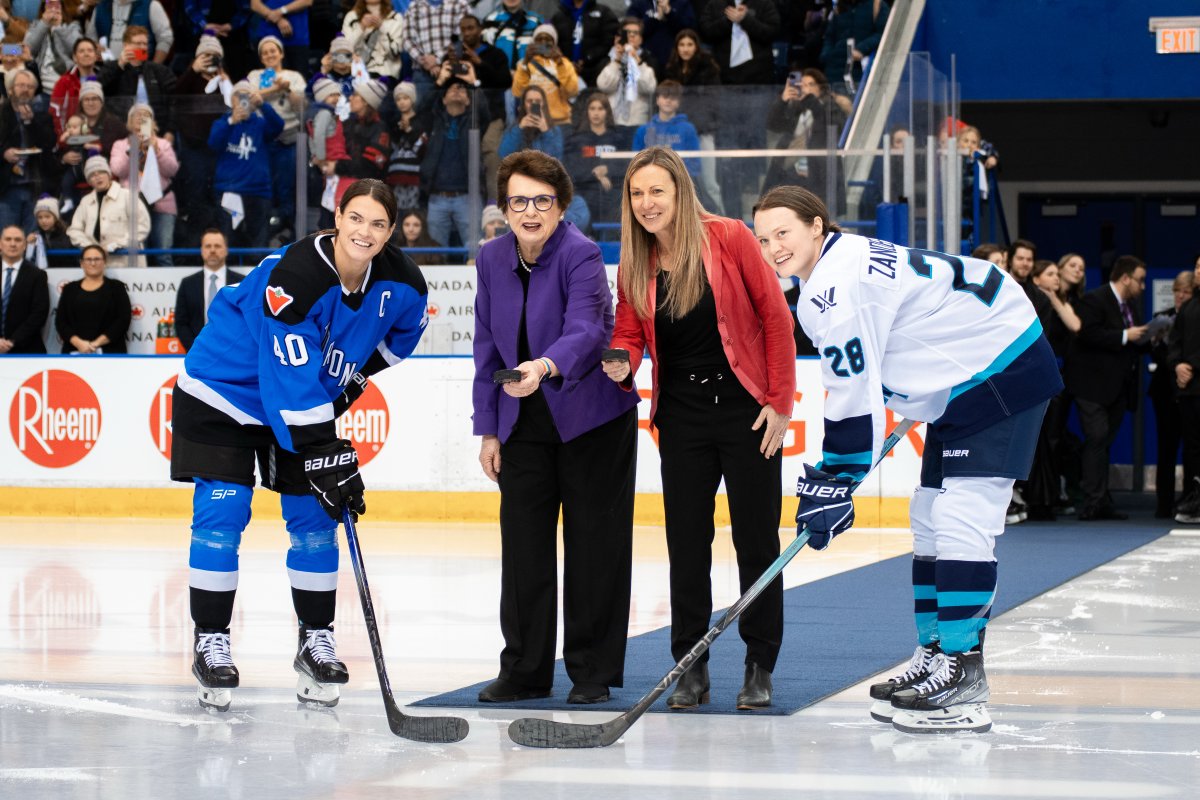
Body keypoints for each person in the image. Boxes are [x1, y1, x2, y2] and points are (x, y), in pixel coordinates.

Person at [752, 185, 1060, 734]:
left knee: (962, 520)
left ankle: (964, 676)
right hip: (963, 376)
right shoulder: (837, 264)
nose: (773, 246)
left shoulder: (832, 287)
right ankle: (938, 655)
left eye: (784, 233)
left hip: (999, 370)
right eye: (763, 237)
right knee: (928, 516)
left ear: (817, 227)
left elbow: (851, 390)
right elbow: (889, 350)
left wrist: (838, 476)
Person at [170, 179, 429, 712]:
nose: (365, 231)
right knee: (225, 511)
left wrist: (349, 381)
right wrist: (323, 449)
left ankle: (316, 641)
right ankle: (210, 641)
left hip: (298, 399)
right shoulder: (295, 277)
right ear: (337, 217)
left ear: (391, 231)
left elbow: (400, 338)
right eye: (356, 218)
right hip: (225, 391)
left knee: (315, 519)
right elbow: (285, 380)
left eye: (378, 223)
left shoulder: (404, 284)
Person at [604, 147, 795, 710]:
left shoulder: (730, 237)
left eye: (656, 191)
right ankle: (691, 665)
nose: (646, 203)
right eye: (637, 194)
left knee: (756, 541)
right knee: (687, 546)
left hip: (746, 411)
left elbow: (776, 318)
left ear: (681, 191)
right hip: (681, 416)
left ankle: (760, 664)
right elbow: (629, 328)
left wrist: (780, 403)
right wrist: (622, 358)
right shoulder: (636, 259)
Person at [473, 149, 638, 705]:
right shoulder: (492, 258)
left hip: (590, 419)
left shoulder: (582, 253)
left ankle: (591, 672)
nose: (530, 211)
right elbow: (485, 347)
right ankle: (524, 670)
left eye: (542, 200)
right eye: (519, 200)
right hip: (522, 422)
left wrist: (543, 366)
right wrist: (489, 430)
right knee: (523, 550)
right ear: (504, 208)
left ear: (562, 206)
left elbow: (589, 328)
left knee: (594, 549)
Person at [1062, 255, 1149, 521]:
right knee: (1097, 439)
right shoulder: (1095, 299)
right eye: (1140, 280)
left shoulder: (1130, 305)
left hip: (1117, 387)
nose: (1143, 286)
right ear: (1125, 278)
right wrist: (1126, 336)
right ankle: (1092, 501)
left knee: (1104, 442)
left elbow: (1131, 341)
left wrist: (1150, 336)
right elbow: (1087, 334)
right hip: (1091, 386)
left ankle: (1101, 500)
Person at [209, 80, 284, 250]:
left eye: (247, 95)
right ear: (232, 99)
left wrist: (263, 105)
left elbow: (278, 126)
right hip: (229, 190)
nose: (243, 99)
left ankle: (258, 277)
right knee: (228, 240)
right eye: (238, 95)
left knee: (258, 242)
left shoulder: (260, 123)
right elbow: (213, 143)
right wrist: (231, 122)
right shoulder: (223, 122)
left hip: (258, 191)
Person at [247, 34, 306, 244]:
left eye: (273, 50)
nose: (270, 54)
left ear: (281, 53)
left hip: (288, 140)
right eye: (265, 52)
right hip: (262, 142)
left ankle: (288, 236)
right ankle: (263, 237)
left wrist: (288, 88)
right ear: (261, 58)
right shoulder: (255, 75)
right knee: (263, 190)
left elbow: (302, 107)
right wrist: (276, 87)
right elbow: (249, 98)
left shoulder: (294, 76)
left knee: (286, 189)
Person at [420, 77, 488, 248]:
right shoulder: (434, 121)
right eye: (451, 89)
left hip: (468, 196)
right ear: (443, 99)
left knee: (474, 248)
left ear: (468, 99)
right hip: (437, 196)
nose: (457, 91)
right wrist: (439, 82)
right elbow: (421, 108)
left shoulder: (474, 120)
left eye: (462, 89)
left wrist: (473, 82)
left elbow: (486, 111)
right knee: (435, 249)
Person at [108, 102, 178, 265]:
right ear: (129, 122)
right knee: (137, 254)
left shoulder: (163, 144)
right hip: (132, 205)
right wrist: (132, 151)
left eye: (145, 115)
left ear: (153, 123)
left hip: (163, 204)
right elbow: (118, 170)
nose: (140, 119)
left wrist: (157, 151)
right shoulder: (120, 145)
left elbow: (172, 170)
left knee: (164, 253)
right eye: (136, 115)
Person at [763, 68, 846, 206]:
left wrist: (811, 101)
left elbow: (835, 127)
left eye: (810, 84)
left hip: (819, 174)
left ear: (821, 88)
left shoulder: (829, 105)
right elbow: (773, 125)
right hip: (790, 171)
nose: (805, 88)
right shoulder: (796, 109)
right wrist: (783, 100)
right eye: (802, 84)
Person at [662, 27, 720, 212]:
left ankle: (724, 223)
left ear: (696, 47)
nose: (686, 48)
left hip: (703, 132)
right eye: (682, 44)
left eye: (690, 44)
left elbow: (713, 102)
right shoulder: (671, 69)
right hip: (679, 133)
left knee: (709, 183)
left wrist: (702, 124)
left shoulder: (708, 68)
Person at [66, 155, 152, 266]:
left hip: (127, 265)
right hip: (96, 267)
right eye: (92, 175)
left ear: (109, 175)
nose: (97, 177)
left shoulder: (127, 196)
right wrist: (90, 248)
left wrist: (115, 245)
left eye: (101, 172)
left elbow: (142, 227)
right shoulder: (85, 201)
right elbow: (74, 230)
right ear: (89, 181)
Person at [0, 68, 56, 232]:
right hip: (7, 187)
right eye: (21, 85)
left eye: (30, 86)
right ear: (11, 89)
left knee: (32, 240)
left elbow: (49, 144)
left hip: (35, 186)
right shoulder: (2, 115)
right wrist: (3, 153)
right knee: (8, 238)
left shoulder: (42, 115)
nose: (25, 89)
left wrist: (31, 122)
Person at [173, 228, 244, 351]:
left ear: (226, 250)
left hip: (234, 353)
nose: (212, 250)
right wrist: (195, 349)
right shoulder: (188, 284)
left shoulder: (241, 283)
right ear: (202, 250)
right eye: (208, 246)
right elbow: (181, 323)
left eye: (217, 246)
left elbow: (246, 320)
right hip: (198, 353)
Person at [1166, 263, 1200, 524]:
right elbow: (1174, 343)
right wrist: (1178, 365)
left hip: (1194, 379)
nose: (1199, 271)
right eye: (1198, 266)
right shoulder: (1188, 307)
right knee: (1192, 448)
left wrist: (1192, 366)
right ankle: (1193, 496)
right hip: (1190, 391)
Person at [96, 25, 176, 133]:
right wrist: (119, 66)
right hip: (123, 129)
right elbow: (98, 89)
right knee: (134, 149)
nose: (143, 47)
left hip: (155, 128)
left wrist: (170, 132)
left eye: (145, 44)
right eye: (138, 43)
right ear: (125, 45)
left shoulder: (159, 70)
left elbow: (174, 100)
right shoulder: (112, 67)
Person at [54, 243, 132, 353]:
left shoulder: (117, 288)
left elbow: (123, 320)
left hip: (110, 352)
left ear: (104, 262)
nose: (93, 263)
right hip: (74, 352)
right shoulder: (69, 289)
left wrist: (95, 344)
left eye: (97, 259)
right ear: (81, 263)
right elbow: (61, 322)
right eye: (88, 259)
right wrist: (79, 343)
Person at [563, 91, 624, 225]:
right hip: (585, 192)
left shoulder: (618, 138)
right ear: (587, 112)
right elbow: (572, 169)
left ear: (607, 111)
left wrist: (607, 168)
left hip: (611, 192)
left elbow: (625, 164)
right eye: (592, 109)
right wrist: (595, 172)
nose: (596, 113)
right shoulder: (577, 139)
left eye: (600, 109)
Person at [510, 23, 579, 127]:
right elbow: (518, 92)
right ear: (533, 42)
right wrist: (525, 63)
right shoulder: (524, 64)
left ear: (554, 42)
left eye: (548, 39)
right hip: (534, 120)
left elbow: (571, 91)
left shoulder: (564, 63)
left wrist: (559, 64)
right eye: (539, 39)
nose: (543, 43)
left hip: (560, 122)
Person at [595, 16, 658, 127]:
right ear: (619, 37)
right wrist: (617, 62)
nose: (631, 35)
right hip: (611, 123)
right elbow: (603, 86)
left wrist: (637, 62)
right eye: (627, 32)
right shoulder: (608, 60)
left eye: (636, 33)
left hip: (637, 123)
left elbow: (649, 88)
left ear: (641, 39)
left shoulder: (649, 61)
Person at [699, 0, 778, 86]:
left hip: (759, 74)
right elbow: (705, 32)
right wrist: (728, 20)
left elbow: (772, 32)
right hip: (724, 74)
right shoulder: (715, 3)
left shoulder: (764, 3)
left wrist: (745, 19)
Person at [0, 223, 49, 354]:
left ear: (25, 245)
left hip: (27, 350)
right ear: (0, 244)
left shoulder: (38, 275)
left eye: (18, 240)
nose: (12, 244)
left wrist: (12, 342)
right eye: (8, 239)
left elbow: (39, 313)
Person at [550, 0, 618, 90]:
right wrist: (566, 62)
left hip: (596, 71)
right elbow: (552, 43)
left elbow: (609, 41)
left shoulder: (604, 12)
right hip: (566, 71)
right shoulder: (558, 16)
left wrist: (588, 58)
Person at [85, 0, 174, 64]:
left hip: (141, 71)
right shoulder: (101, 7)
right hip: (109, 72)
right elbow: (90, 39)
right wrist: (95, 47)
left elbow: (165, 39)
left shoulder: (151, 5)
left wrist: (154, 68)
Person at [24, 0, 83, 95]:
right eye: (50, 3)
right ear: (44, 7)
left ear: (62, 7)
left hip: (66, 82)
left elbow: (77, 50)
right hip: (41, 84)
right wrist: (44, 24)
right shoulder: (35, 25)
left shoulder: (72, 26)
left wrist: (58, 28)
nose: (53, 7)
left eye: (57, 3)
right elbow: (28, 50)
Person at [384, 81, 427, 211]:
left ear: (412, 100)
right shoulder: (393, 124)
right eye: (398, 99)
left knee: (413, 216)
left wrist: (409, 131)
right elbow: (390, 149)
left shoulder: (421, 122)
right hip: (395, 177)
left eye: (406, 98)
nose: (402, 102)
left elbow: (423, 150)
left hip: (414, 177)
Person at [341, 0, 406, 81]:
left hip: (385, 76)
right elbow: (342, 52)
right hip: (356, 75)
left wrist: (381, 28)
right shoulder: (351, 17)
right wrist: (361, 27)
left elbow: (395, 52)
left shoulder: (396, 18)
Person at [49, 36, 100, 135]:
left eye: (90, 50)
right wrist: (63, 137)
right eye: (81, 51)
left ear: (96, 56)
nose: (86, 54)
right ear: (74, 58)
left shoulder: (105, 79)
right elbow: (55, 112)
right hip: (72, 137)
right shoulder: (64, 81)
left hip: (100, 135)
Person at [499, 84, 563, 160]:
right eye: (529, 101)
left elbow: (556, 158)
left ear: (543, 104)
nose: (533, 104)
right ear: (524, 104)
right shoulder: (514, 127)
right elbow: (504, 154)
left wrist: (546, 132)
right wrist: (519, 129)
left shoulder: (553, 129)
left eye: (538, 101)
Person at [25, 194, 75, 267]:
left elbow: (65, 252)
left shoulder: (67, 233)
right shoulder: (35, 235)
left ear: (55, 217)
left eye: (47, 217)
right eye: (40, 217)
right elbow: (28, 259)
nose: (43, 221)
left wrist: (43, 244)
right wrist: (29, 245)